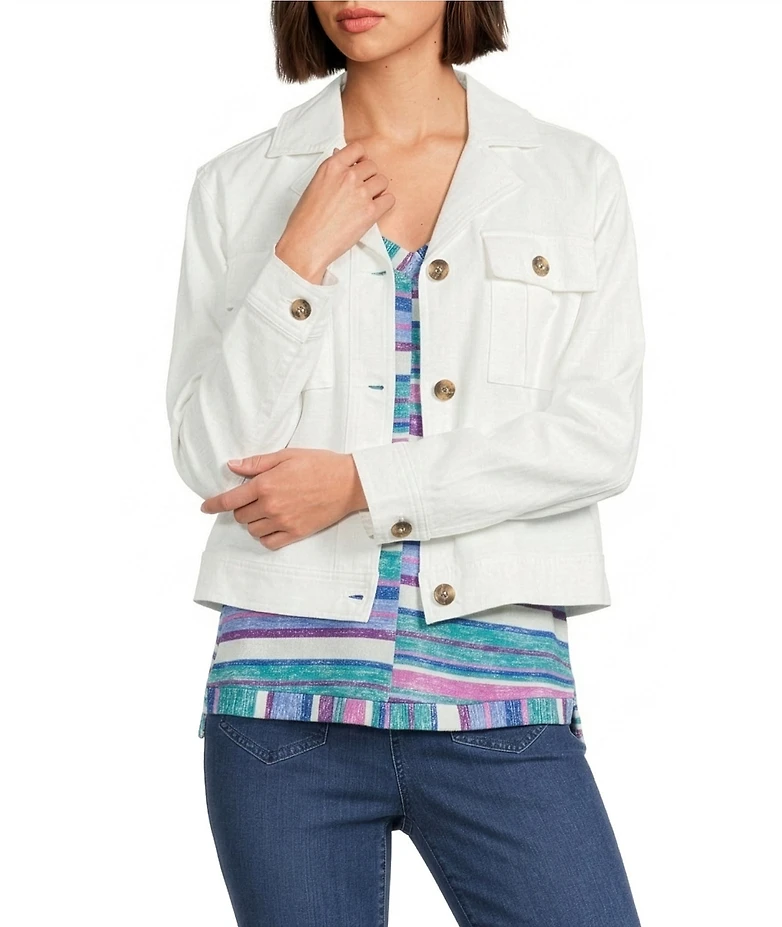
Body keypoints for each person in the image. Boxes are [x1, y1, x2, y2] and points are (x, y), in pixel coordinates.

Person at [165, 2, 645, 924]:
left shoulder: (570, 176)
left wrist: (362, 484)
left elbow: (598, 436)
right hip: (283, 719)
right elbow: (208, 455)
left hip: (500, 707)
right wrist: (299, 254)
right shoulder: (239, 183)